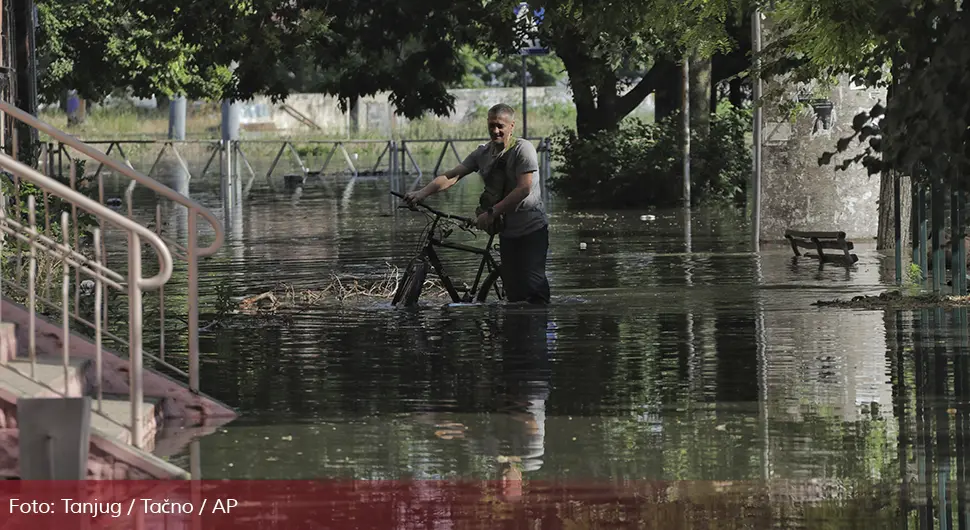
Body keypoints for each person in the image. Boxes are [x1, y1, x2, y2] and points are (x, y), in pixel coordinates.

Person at [403, 103, 550, 304]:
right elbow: (452, 175)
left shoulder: (523, 150)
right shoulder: (482, 153)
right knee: (514, 294)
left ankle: (539, 324)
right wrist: (421, 193)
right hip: (507, 231)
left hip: (531, 229)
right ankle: (516, 331)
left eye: (500, 126)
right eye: (491, 125)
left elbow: (524, 188)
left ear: (512, 126)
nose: (495, 131)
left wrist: (491, 212)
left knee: (534, 288)